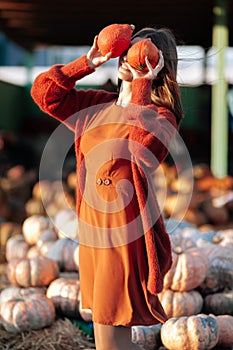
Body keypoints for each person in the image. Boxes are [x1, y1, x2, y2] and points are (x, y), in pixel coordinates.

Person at [31, 25, 183, 350]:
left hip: (123, 233)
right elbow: (44, 94)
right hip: (93, 231)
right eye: (129, 50)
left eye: (142, 54)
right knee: (103, 328)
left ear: (158, 67)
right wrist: (88, 61)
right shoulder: (96, 106)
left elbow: (144, 152)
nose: (129, 58)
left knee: (113, 331)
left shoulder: (161, 116)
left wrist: (141, 86)